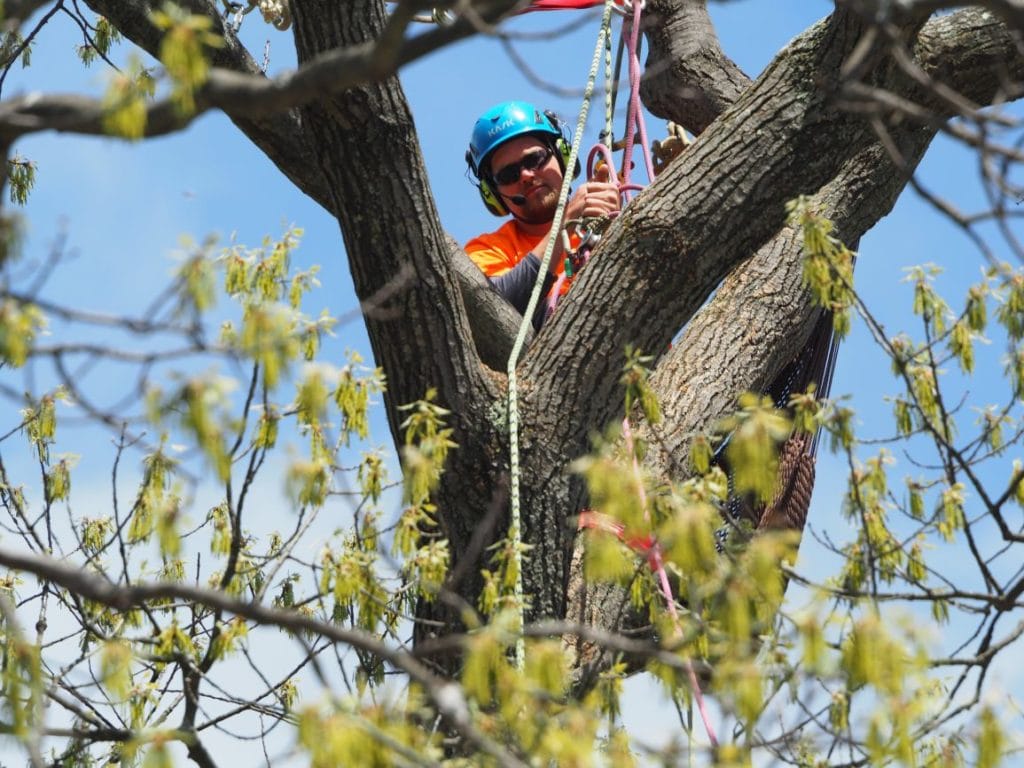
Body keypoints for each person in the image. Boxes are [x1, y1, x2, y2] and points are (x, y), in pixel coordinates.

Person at [464, 100, 620, 329]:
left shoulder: (611, 215)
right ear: (493, 194)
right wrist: (566, 223)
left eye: (534, 159)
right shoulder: (488, 249)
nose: (526, 175)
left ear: (562, 155)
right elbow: (492, 310)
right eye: (508, 174)